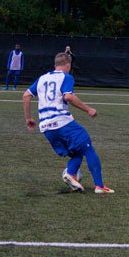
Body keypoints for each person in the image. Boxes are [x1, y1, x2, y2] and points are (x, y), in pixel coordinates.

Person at [22, 52, 114, 194]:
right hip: (62, 122)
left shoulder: (42, 78)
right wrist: (88, 109)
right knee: (88, 147)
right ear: (68, 65)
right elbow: (69, 96)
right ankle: (100, 187)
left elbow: (26, 96)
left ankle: (70, 174)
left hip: (46, 128)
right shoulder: (66, 77)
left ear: (54, 65)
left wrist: (28, 118)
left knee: (77, 152)